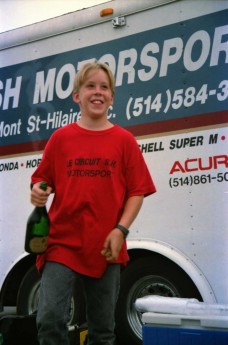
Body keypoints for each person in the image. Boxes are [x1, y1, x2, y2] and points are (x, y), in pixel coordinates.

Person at [30, 61, 156, 345]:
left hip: (106, 245)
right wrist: (38, 191)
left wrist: (120, 230)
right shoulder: (60, 139)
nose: (97, 92)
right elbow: (42, 180)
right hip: (61, 243)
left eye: (104, 87)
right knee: (49, 319)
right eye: (90, 86)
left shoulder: (124, 141)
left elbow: (137, 192)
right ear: (77, 95)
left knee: (102, 330)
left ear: (112, 97)